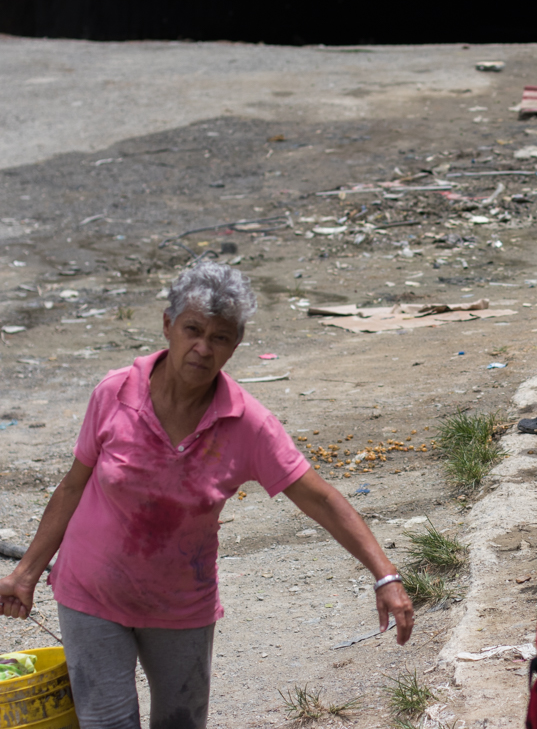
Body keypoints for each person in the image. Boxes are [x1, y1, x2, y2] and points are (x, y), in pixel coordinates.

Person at [0, 262, 414, 728]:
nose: (202, 348)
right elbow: (72, 487)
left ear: (235, 346)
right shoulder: (115, 393)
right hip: (91, 591)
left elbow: (320, 499)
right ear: (167, 326)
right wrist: (25, 573)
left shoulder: (248, 424)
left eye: (220, 338)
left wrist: (385, 576)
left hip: (180, 605)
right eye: (192, 329)